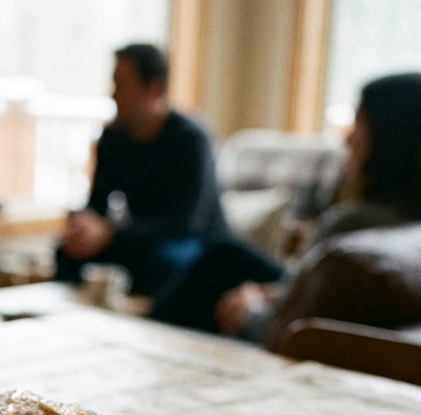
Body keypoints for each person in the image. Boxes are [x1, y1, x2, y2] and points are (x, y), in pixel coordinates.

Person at [151, 72, 421, 344]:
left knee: (221, 257)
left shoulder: (350, 224)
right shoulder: (407, 222)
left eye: (359, 126)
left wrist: (249, 306)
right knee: (224, 256)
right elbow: (306, 294)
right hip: (302, 304)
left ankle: (151, 326)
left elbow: (285, 324)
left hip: (279, 339)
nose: (347, 140)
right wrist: (267, 294)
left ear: (390, 138)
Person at [55, 43, 230, 295]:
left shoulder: (191, 139)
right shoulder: (113, 138)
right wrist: (83, 227)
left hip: (195, 242)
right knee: (67, 252)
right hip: (140, 238)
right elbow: (98, 203)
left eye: (121, 86)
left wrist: (109, 233)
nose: (113, 95)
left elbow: (185, 224)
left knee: (165, 260)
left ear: (153, 88)